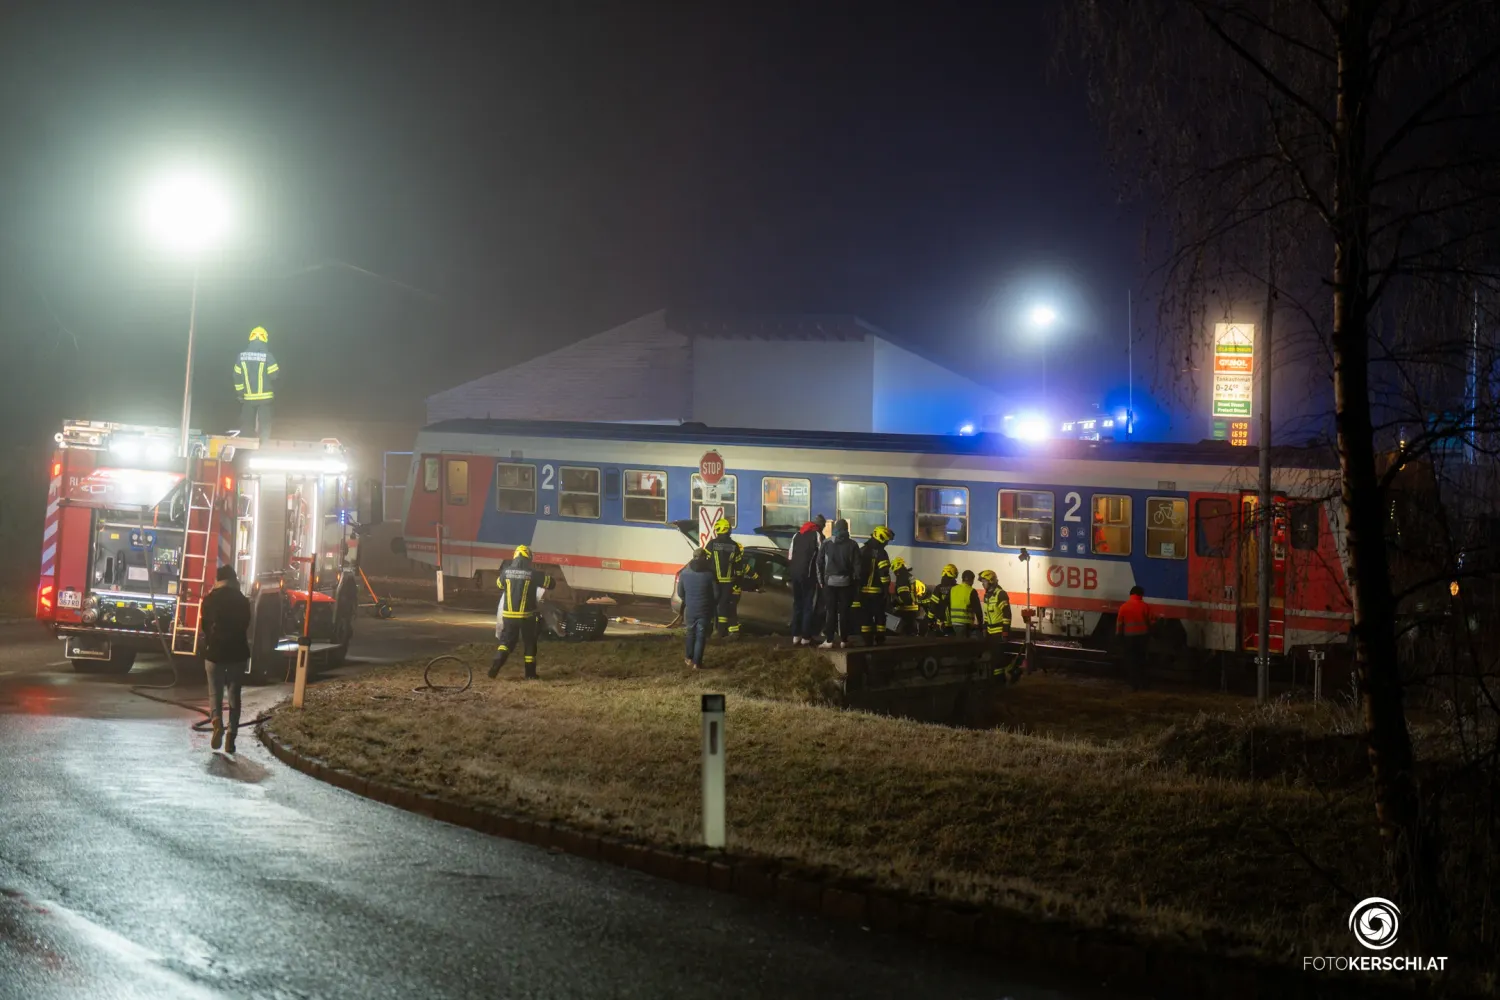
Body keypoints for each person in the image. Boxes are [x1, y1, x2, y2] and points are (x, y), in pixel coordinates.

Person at [199, 565, 251, 754]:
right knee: (234, 694)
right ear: (234, 580)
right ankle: (231, 736)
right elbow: (246, 624)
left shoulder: (209, 600)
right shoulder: (243, 601)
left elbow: (204, 625)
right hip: (237, 653)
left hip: (214, 653)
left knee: (215, 693)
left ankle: (217, 723)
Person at [488, 544, 555, 679]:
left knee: (506, 643)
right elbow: (551, 584)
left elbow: (499, 585)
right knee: (529, 644)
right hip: (527, 617)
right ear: (528, 558)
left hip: (508, 616)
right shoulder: (533, 574)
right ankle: (530, 674)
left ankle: (495, 667)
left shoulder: (506, 572)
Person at [817, 518, 861, 649]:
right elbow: (857, 566)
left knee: (830, 611)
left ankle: (829, 640)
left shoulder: (826, 543)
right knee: (844, 612)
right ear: (847, 529)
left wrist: (821, 581)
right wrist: (856, 581)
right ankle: (844, 640)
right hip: (846, 583)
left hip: (829, 583)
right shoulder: (852, 544)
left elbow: (819, 563)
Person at [234, 326, 280, 445]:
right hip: (265, 398)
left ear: (251, 338)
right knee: (265, 423)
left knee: (247, 424)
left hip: (248, 398)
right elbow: (274, 375)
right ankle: (264, 446)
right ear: (265, 339)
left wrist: (240, 394)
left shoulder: (241, 357)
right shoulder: (268, 356)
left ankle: (246, 447)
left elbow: (237, 377)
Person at [677, 549, 719, 669]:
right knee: (701, 635)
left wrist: (689, 601)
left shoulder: (684, 573)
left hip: (690, 609)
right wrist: (710, 603)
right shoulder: (709, 574)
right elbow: (716, 594)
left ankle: (688, 658)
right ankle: (697, 663)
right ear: (704, 558)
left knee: (690, 633)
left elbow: (680, 593)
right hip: (705, 610)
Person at [705, 518, 743, 638]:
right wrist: (739, 581)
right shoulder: (734, 546)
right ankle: (727, 631)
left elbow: (705, 561)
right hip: (728, 583)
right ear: (728, 530)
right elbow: (739, 566)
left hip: (714, 582)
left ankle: (716, 631)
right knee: (725, 605)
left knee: (713, 606)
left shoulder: (711, 544)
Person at [787, 519, 823, 646]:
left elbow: (790, 556)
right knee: (808, 606)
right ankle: (806, 638)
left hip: (795, 575)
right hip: (809, 576)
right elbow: (821, 556)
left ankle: (795, 636)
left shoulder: (796, 535)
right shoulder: (816, 535)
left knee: (797, 604)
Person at [857, 525, 894, 646]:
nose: (887, 543)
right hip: (877, 592)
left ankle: (867, 640)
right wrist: (886, 589)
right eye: (887, 540)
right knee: (879, 616)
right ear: (882, 538)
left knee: (865, 617)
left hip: (862, 591)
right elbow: (884, 573)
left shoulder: (862, 550)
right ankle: (880, 639)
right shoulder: (881, 553)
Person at [1115, 585, 1155, 690]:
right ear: (1141, 595)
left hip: (1129, 638)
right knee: (1141, 660)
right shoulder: (1145, 606)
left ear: (1131, 595)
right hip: (1142, 638)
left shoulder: (1124, 607)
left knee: (1131, 661)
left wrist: (1119, 635)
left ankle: (1134, 684)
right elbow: (1152, 621)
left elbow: (1119, 623)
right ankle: (1143, 684)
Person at [923, 564, 959, 636]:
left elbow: (933, 606)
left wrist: (930, 621)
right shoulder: (958, 588)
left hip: (941, 624)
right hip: (956, 623)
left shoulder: (938, 588)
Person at [890, 557, 921, 636]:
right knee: (912, 634)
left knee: (905, 635)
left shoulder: (901, 578)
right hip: (914, 609)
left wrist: (895, 602)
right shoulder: (909, 576)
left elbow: (905, 597)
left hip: (906, 611)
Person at [948, 570, 983, 639]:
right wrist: (980, 624)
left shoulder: (953, 589)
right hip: (965, 623)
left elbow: (947, 604)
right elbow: (978, 609)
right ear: (972, 580)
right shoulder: (971, 591)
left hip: (953, 623)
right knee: (964, 645)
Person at [978, 569, 1012, 639]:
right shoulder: (987, 596)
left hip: (999, 633)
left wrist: (1005, 631)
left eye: (984, 581)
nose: (982, 584)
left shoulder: (1000, 594)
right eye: (982, 582)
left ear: (991, 581)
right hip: (989, 632)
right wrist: (985, 628)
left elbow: (1007, 614)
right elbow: (987, 615)